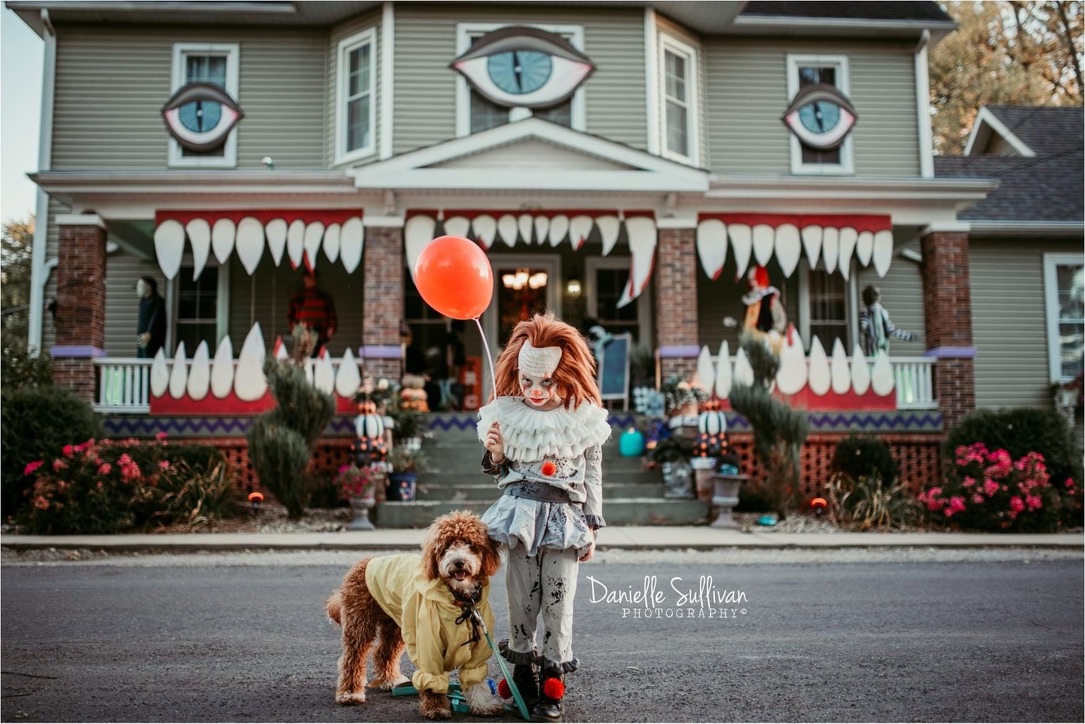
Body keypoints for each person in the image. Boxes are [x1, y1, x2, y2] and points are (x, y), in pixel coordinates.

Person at [477, 313, 611, 722]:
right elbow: (501, 472)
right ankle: (522, 674)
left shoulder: (583, 417)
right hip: (519, 515)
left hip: (564, 519)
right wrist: (497, 454)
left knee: (559, 600)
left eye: (546, 382)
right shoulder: (507, 413)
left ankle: (553, 678)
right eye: (527, 381)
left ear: (566, 376)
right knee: (521, 599)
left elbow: (592, 475)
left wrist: (592, 525)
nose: (534, 391)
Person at [287, 269, 337, 356]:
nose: (310, 280)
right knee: (302, 360)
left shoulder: (324, 297)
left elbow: (332, 315)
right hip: (302, 335)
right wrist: (294, 329)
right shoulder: (297, 297)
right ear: (304, 279)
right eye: (308, 277)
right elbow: (290, 316)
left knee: (317, 361)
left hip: (319, 335)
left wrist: (331, 328)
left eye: (313, 277)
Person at [858, 284, 917, 356]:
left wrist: (908, 336)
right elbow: (863, 325)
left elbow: (891, 329)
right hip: (873, 349)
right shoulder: (866, 312)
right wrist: (863, 324)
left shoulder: (882, 312)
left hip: (883, 347)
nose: (879, 296)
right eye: (876, 294)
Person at [741, 265, 787, 353]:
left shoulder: (770, 297)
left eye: (754, 279)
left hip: (767, 343)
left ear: (760, 278)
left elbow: (781, 319)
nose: (751, 283)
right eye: (750, 280)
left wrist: (774, 333)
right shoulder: (749, 300)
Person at [136, 276, 167, 358]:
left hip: (152, 338)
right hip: (141, 336)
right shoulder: (143, 301)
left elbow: (156, 317)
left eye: (140, 286)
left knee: (150, 358)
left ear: (149, 287)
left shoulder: (157, 300)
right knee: (141, 359)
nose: (138, 289)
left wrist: (149, 333)